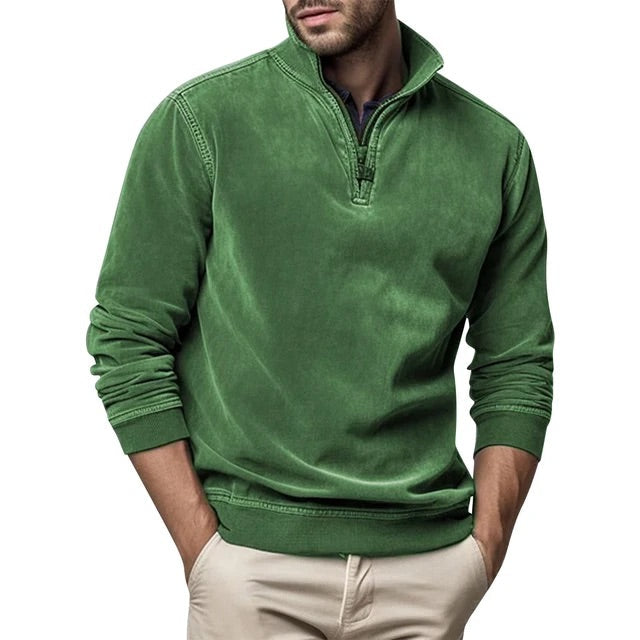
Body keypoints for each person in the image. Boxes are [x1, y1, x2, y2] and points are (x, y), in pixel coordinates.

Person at [85, 1, 554, 637]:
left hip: (426, 568)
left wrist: (483, 550)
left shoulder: (493, 148)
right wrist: (203, 550)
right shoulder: (202, 121)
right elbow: (127, 337)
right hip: (251, 564)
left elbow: (517, 362)